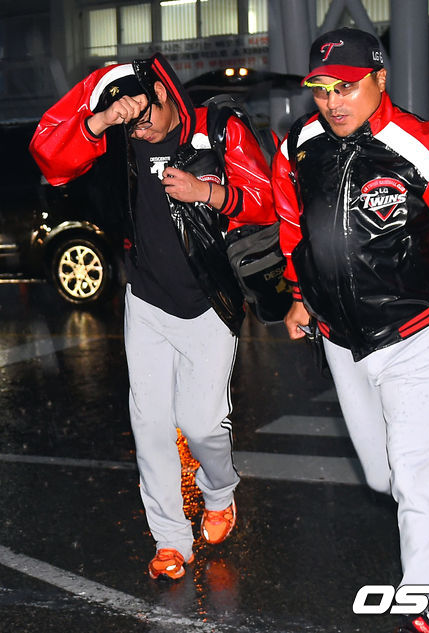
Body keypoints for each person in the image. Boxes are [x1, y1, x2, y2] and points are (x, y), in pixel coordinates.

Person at [272, 27, 429, 633]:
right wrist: (298, 295)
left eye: (347, 87)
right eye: (321, 89)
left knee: (411, 473)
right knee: (382, 476)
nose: (333, 102)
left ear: (380, 80)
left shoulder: (425, 148)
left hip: (416, 330)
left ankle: (420, 601)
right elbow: (293, 223)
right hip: (341, 338)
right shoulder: (300, 145)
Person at [30, 53, 276, 581]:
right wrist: (101, 120)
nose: (138, 133)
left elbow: (264, 202)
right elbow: (51, 160)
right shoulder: (120, 135)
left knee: (202, 425)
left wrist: (206, 192)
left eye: (142, 121)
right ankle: (170, 540)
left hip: (209, 304)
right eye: (130, 126)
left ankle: (220, 492)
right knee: (150, 426)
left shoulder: (217, 127)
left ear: (162, 93)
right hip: (145, 302)